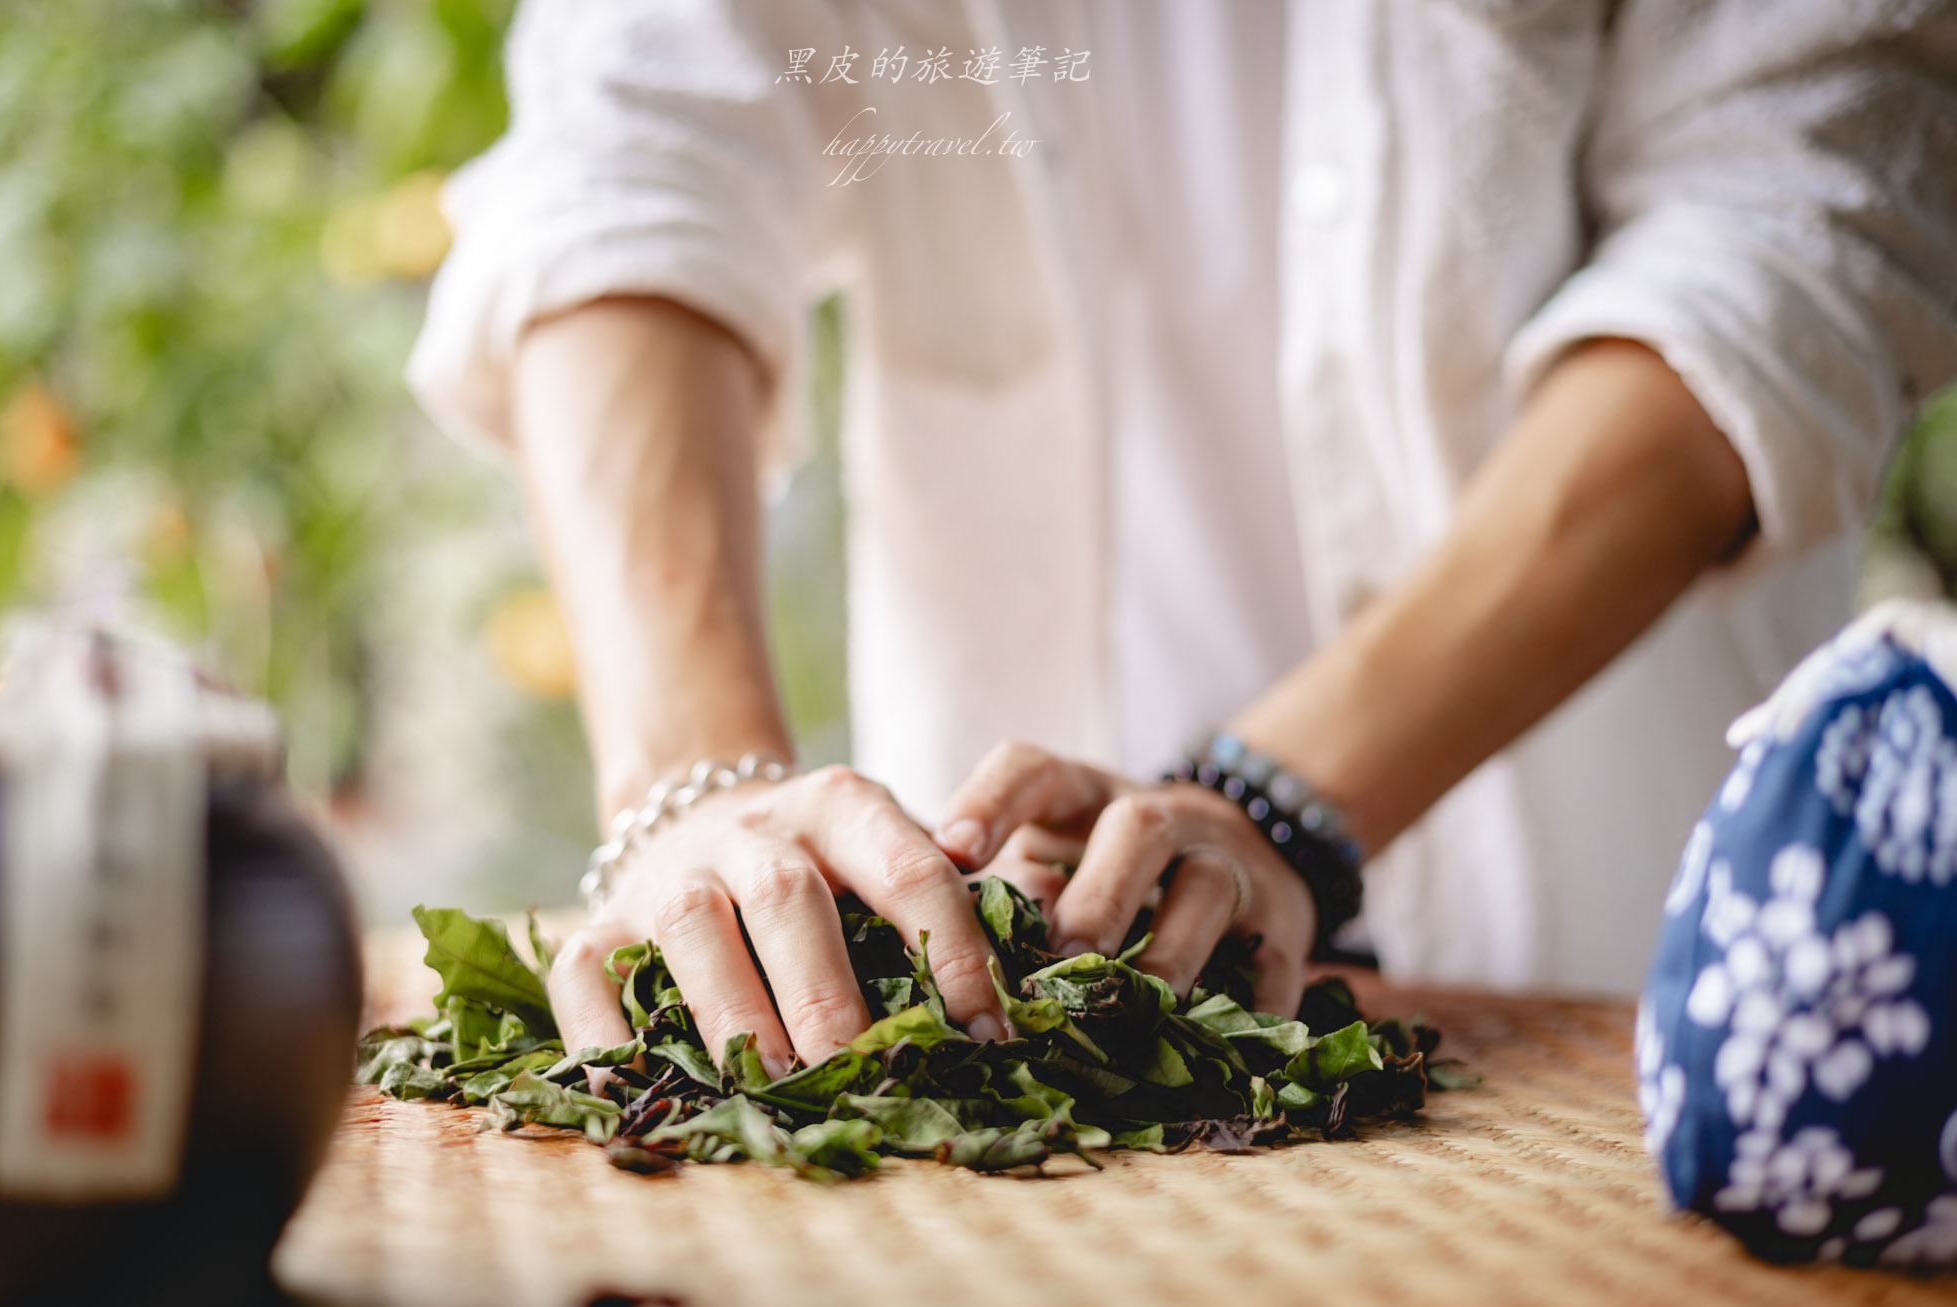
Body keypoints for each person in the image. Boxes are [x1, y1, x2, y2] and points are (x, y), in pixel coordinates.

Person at [409, 1, 1957, 1079]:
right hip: (993, 982)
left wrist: (1274, 799)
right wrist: (698, 786)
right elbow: (628, 148)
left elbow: (1790, 223)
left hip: (1605, 949)